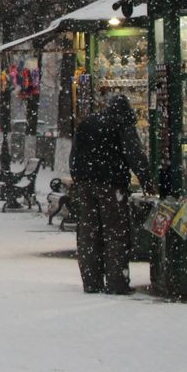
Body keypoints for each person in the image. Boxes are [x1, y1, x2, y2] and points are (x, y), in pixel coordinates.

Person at [68, 92, 150, 294]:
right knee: (116, 233)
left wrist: (79, 178)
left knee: (88, 233)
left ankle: (91, 281)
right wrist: (146, 179)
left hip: (86, 185)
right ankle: (116, 282)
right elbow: (134, 154)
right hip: (111, 186)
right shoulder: (121, 124)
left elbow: (74, 154)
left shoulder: (88, 123)